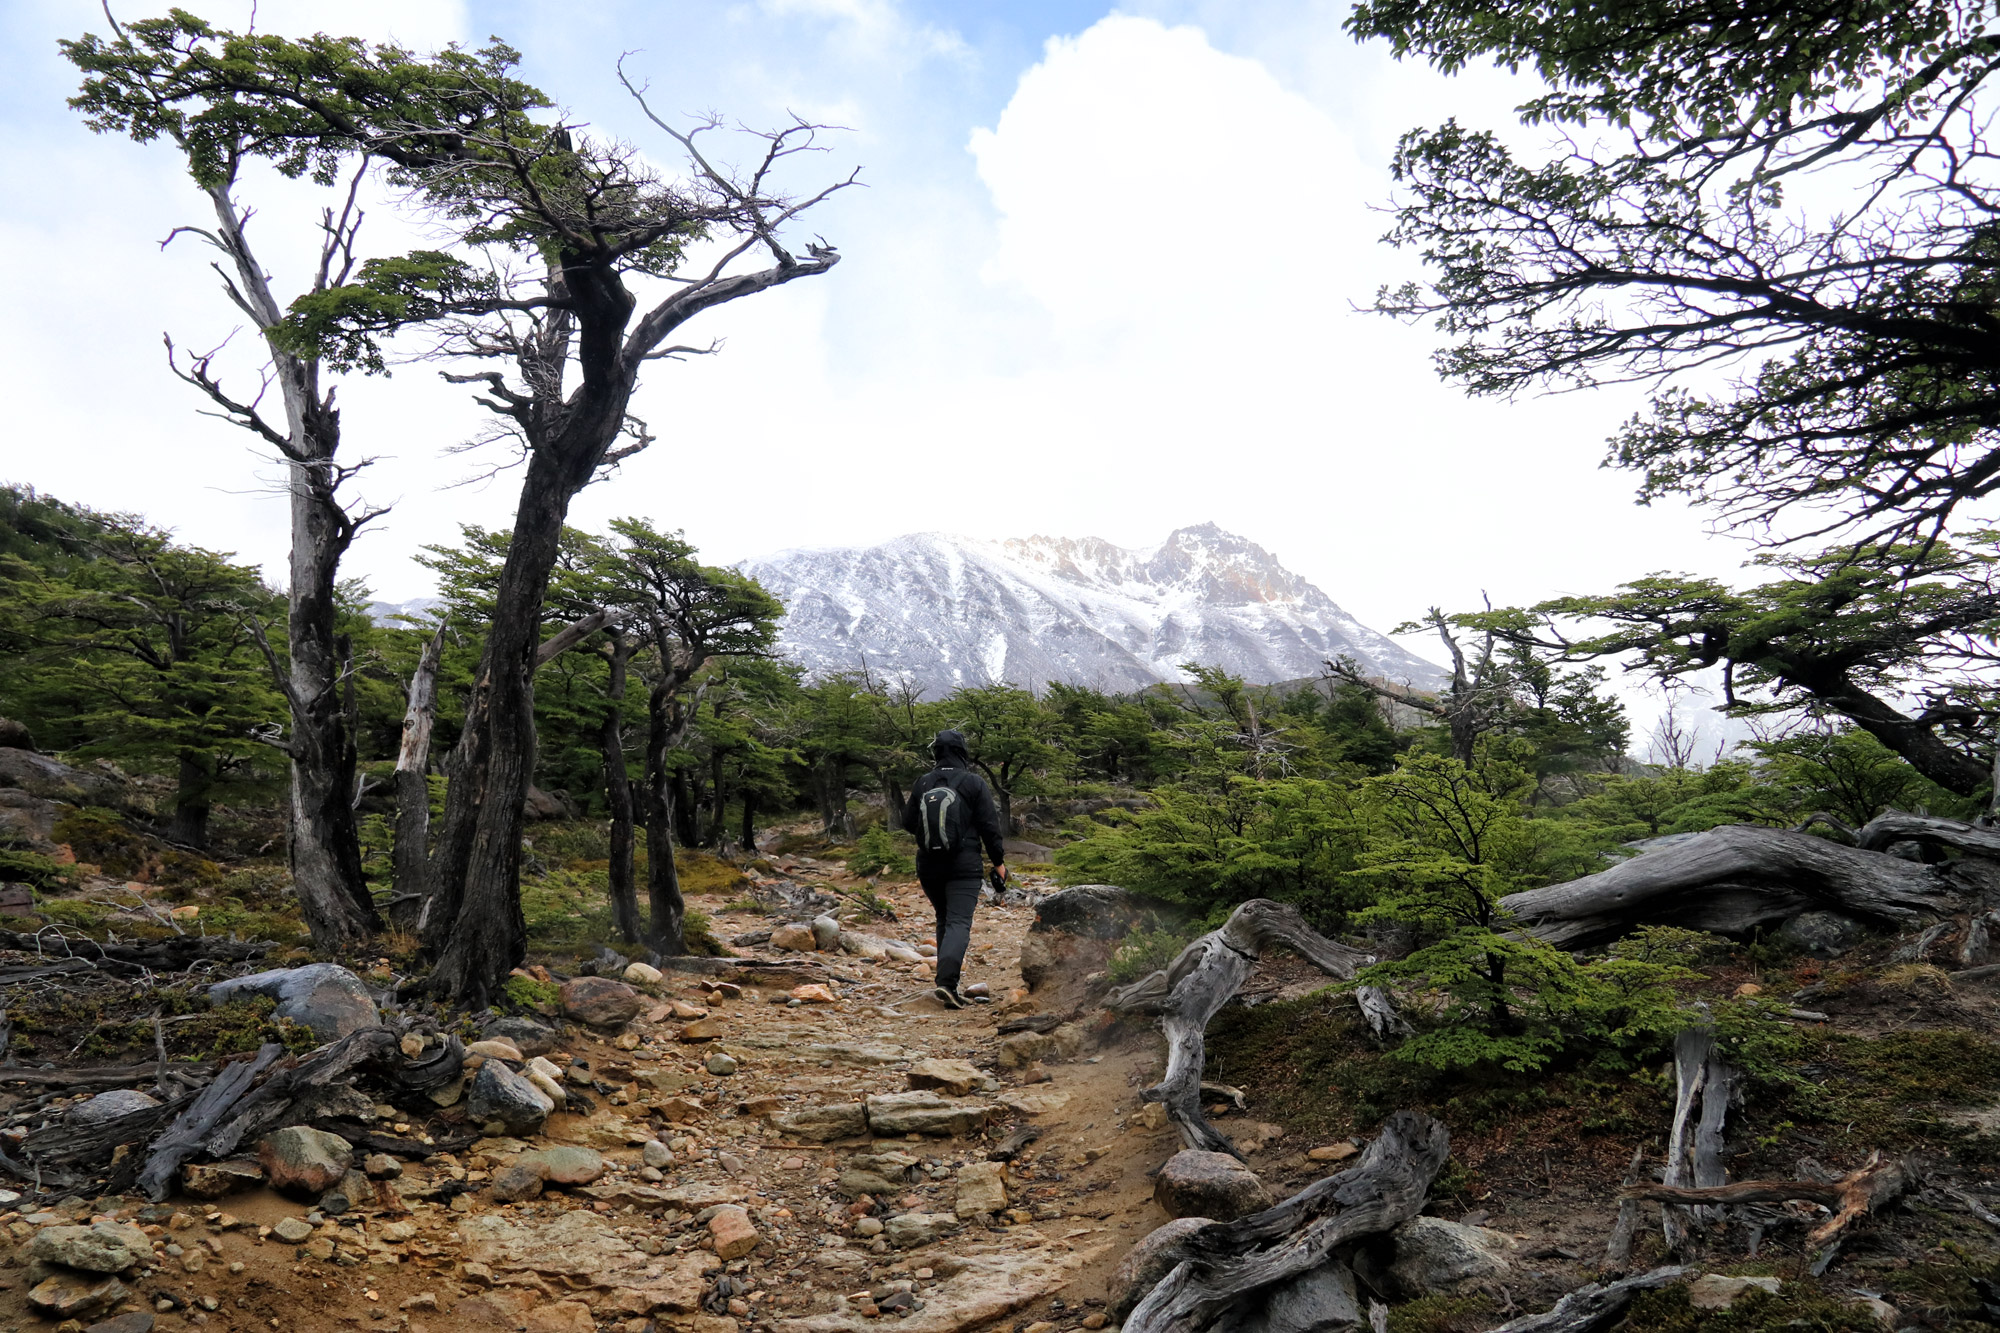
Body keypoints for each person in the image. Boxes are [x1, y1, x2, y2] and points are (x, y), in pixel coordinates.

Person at [901, 728, 1008, 1009]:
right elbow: (989, 827)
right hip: (964, 866)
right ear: (962, 751)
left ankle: (944, 983)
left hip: (928, 866)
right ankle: (947, 985)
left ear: (936, 752)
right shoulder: (973, 782)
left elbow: (908, 822)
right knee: (958, 922)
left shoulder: (923, 782)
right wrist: (998, 863)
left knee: (943, 919)